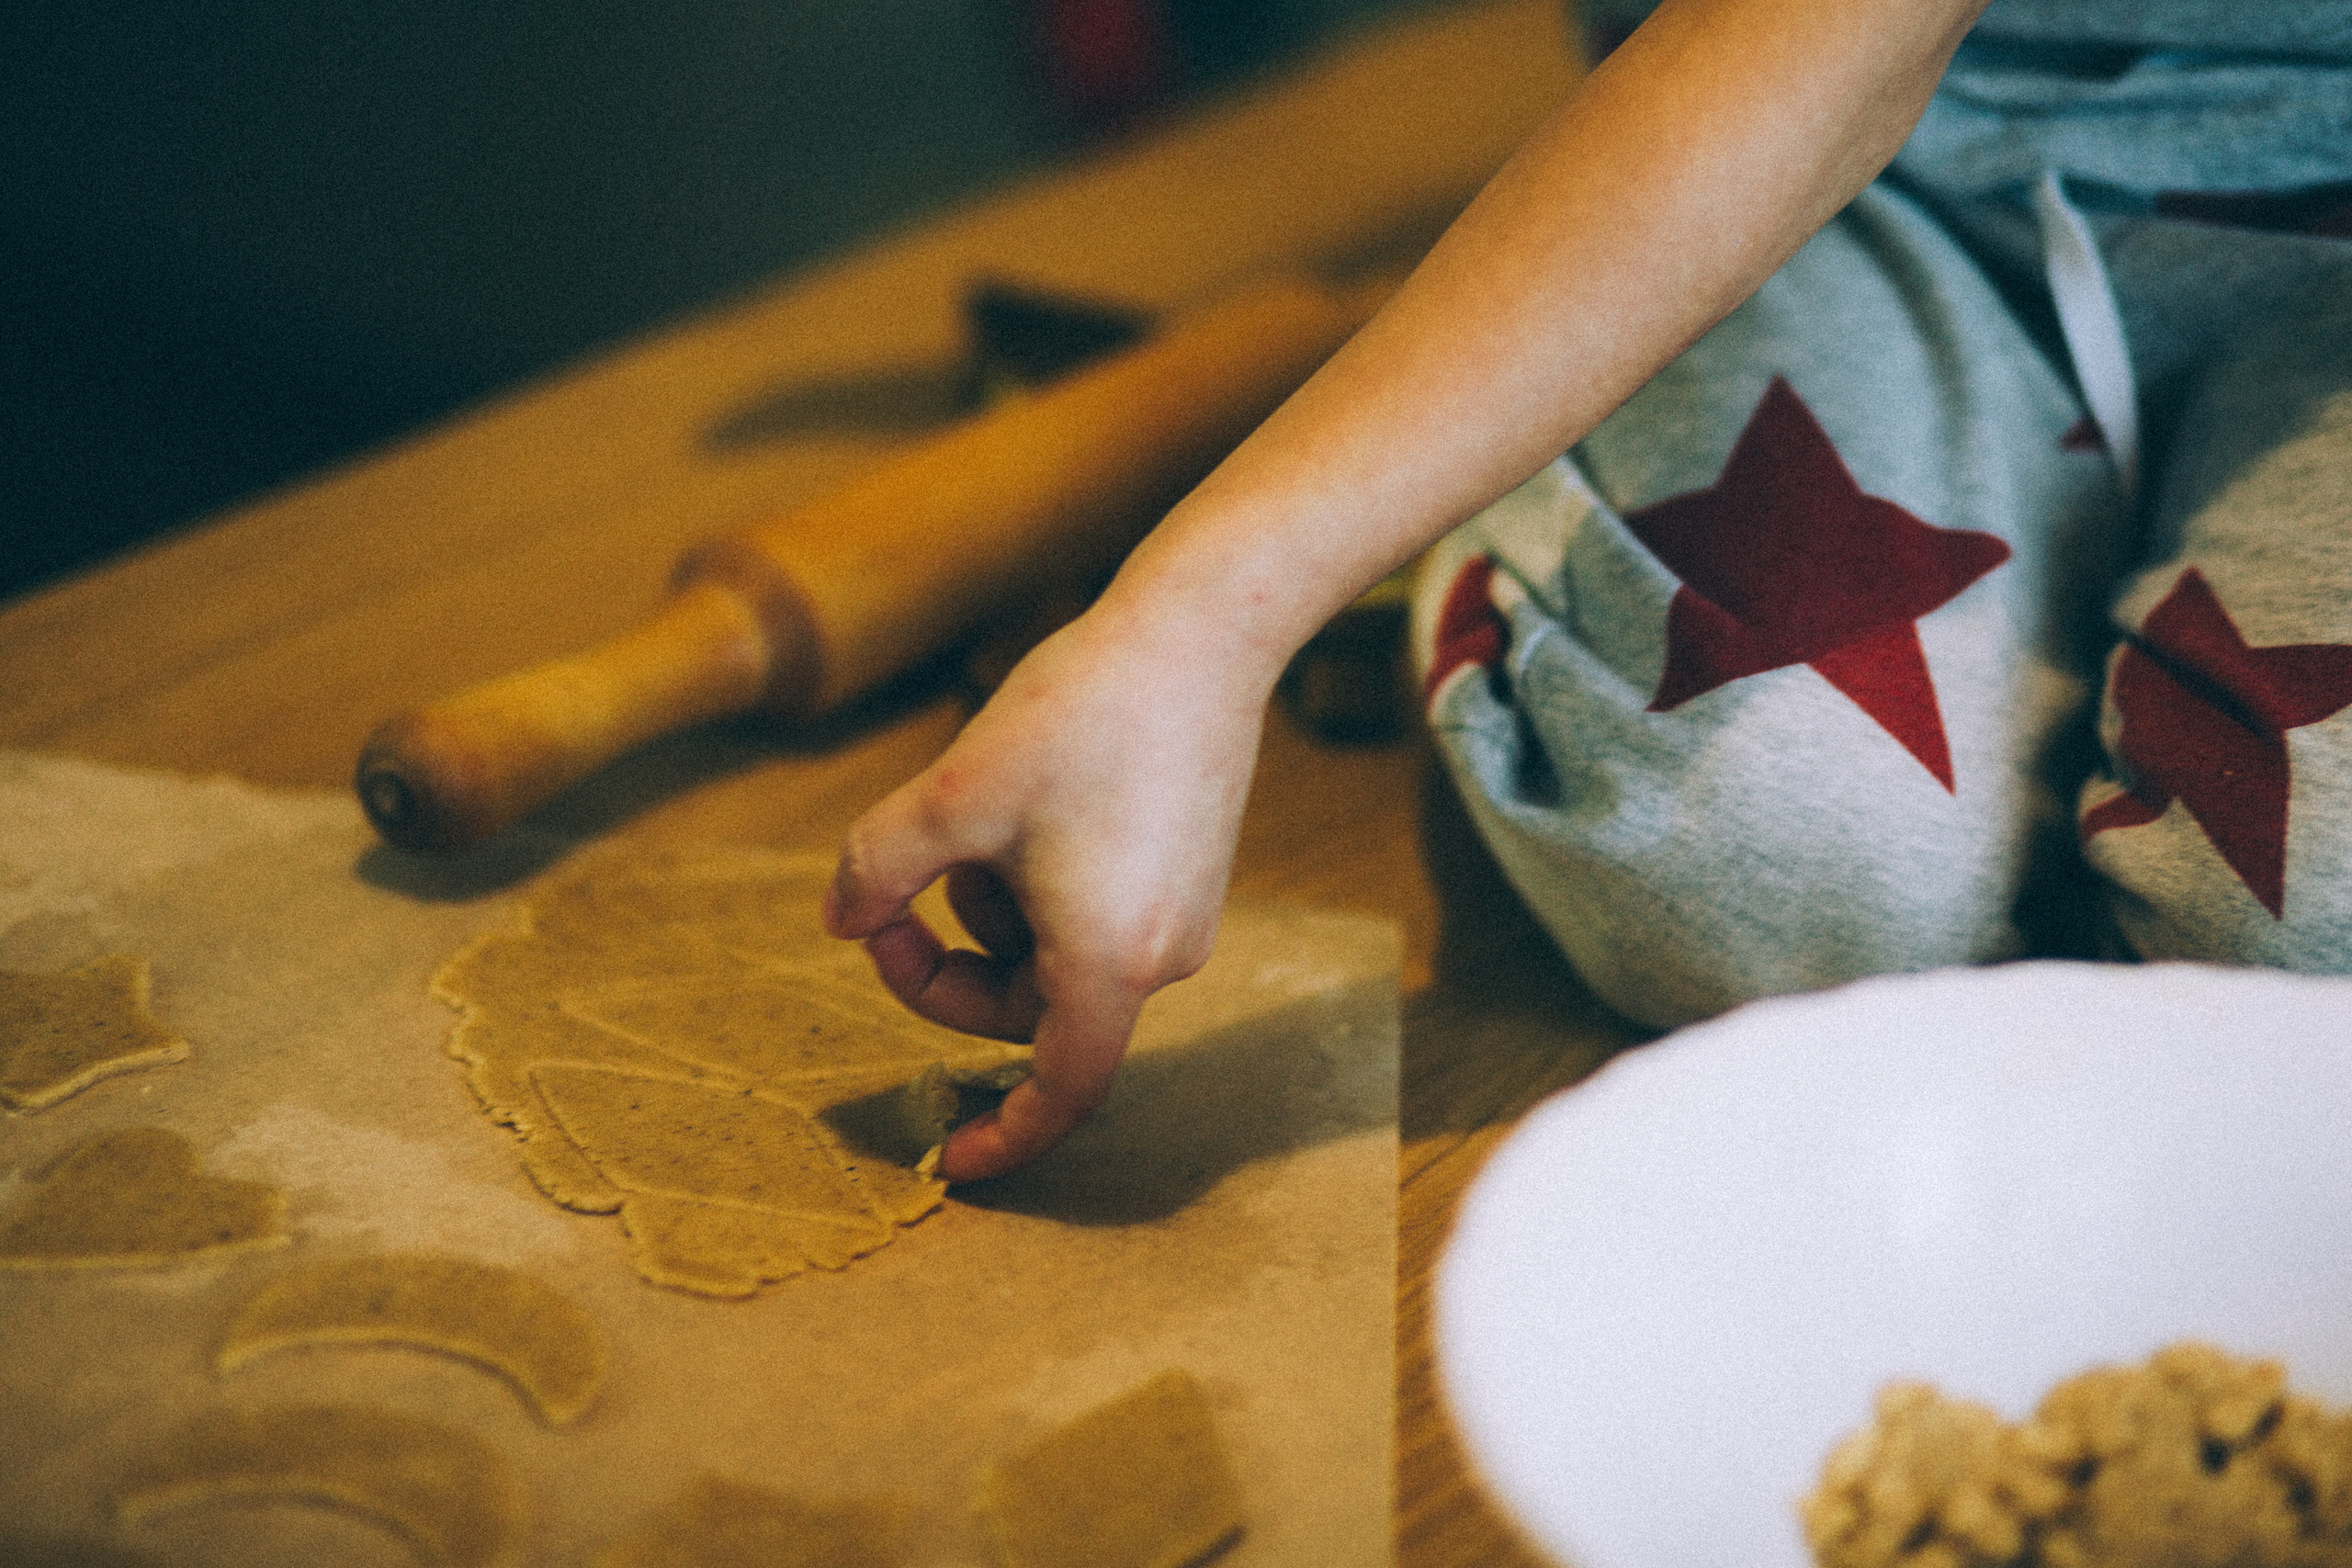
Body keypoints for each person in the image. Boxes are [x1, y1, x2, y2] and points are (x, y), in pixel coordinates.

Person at [825, 0, 2352, 1180]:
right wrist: (1199, 624)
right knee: (1766, 870)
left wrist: (1193, 619)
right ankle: (1507, 418)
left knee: (2308, 961)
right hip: (1824, 160)